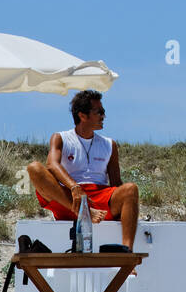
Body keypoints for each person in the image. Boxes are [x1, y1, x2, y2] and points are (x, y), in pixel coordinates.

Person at [27, 90, 139, 251]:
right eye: (99, 112)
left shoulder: (109, 144)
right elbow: (51, 164)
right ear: (82, 115)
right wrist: (74, 187)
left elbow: (116, 183)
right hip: (69, 198)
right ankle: (83, 212)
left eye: (104, 112)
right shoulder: (61, 137)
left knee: (130, 189)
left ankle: (128, 252)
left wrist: (130, 209)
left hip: (99, 200)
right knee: (34, 168)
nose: (103, 116)